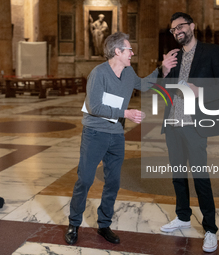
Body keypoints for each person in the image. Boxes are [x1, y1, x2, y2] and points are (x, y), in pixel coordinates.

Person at [65, 32, 168, 245]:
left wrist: (162, 69)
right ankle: (73, 224)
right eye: (129, 49)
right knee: (84, 180)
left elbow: (145, 84)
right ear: (117, 51)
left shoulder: (129, 72)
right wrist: (126, 113)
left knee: (113, 182)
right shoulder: (98, 73)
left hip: (116, 136)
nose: (132, 52)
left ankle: (104, 225)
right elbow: (94, 107)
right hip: (94, 134)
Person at [159, 12, 219, 253]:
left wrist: (200, 92)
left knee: (200, 177)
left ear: (192, 26)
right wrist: (164, 71)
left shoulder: (211, 51)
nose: (177, 31)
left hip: (195, 126)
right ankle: (183, 217)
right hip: (173, 124)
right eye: (173, 29)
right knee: (178, 175)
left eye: (180, 26)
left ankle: (210, 229)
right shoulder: (174, 56)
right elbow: (162, 92)